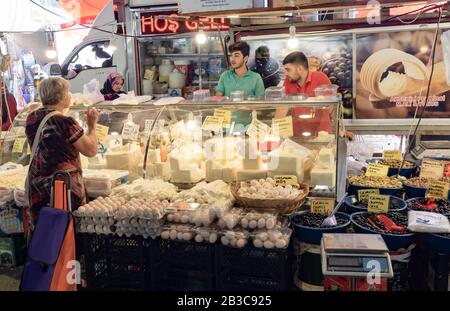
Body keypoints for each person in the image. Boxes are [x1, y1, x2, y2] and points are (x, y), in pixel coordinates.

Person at [25, 77, 99, 224]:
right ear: (61, 96)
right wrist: (92, 125)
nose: (69, 95)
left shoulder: (31, 118)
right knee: (64, 235)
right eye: (67, 91)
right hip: (63, 190)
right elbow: (90, 150)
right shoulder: (65, 122)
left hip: (38, 188)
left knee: (45, 234)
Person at [277, 51, 354, 140]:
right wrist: (275, 129)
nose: (286, 73)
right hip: (297, 136)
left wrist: (341, 130)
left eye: (288, 69)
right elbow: (282, 106)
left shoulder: (320, 77)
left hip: (321, 135)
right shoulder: (288, 81)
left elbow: (333, 107)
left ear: (299, 69)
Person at [216, 41, 265, 129]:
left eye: (237, 55)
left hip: (247, 127)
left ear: (245, 58)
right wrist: (224, 100)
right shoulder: (225, 76)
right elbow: (217, 98)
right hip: (226, 127)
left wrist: (243, 105)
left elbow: (261, 105)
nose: (233, 59)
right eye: (232, 55)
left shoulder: (256, 78)